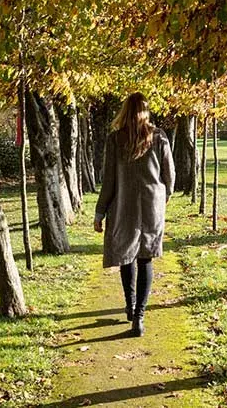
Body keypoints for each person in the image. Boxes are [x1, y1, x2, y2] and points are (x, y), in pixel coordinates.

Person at [94, 92, 174, 337]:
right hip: (151, 207)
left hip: (123, 206)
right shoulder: (159, 138)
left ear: (125, 111)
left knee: (127, 256)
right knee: (145, 258)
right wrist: (162, 199)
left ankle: (130, 307)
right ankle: (139, 316)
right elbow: (169, 178)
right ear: (146, 111)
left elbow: (108, 180)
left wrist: (100, 212)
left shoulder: (116, 140)